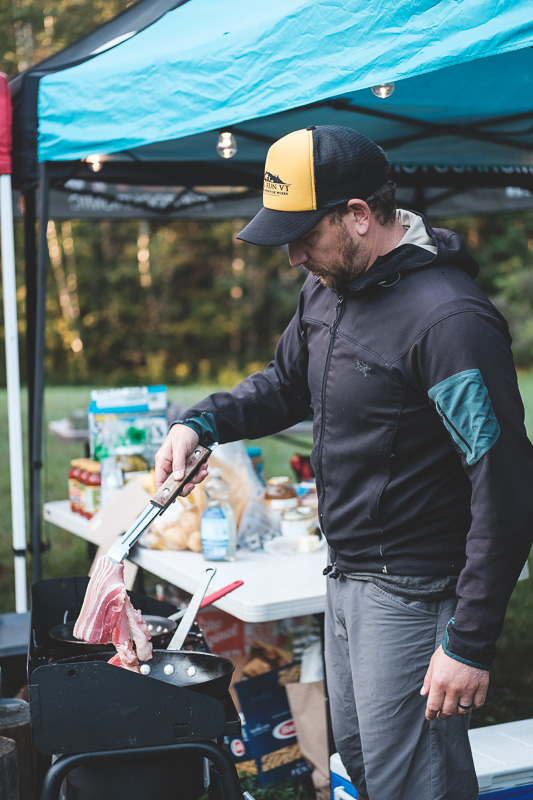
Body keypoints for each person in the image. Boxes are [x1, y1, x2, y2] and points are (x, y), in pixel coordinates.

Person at [155, 125, 533, 799]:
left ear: (357, 215)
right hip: (345, 577)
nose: (292, 255)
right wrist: (200, 422)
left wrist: (469, 641)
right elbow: (284, 385)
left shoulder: (448, 323)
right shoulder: (327, 290)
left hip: (413, 593)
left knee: (413, 784)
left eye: (303, 234)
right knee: (360, 763)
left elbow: (503, 483)